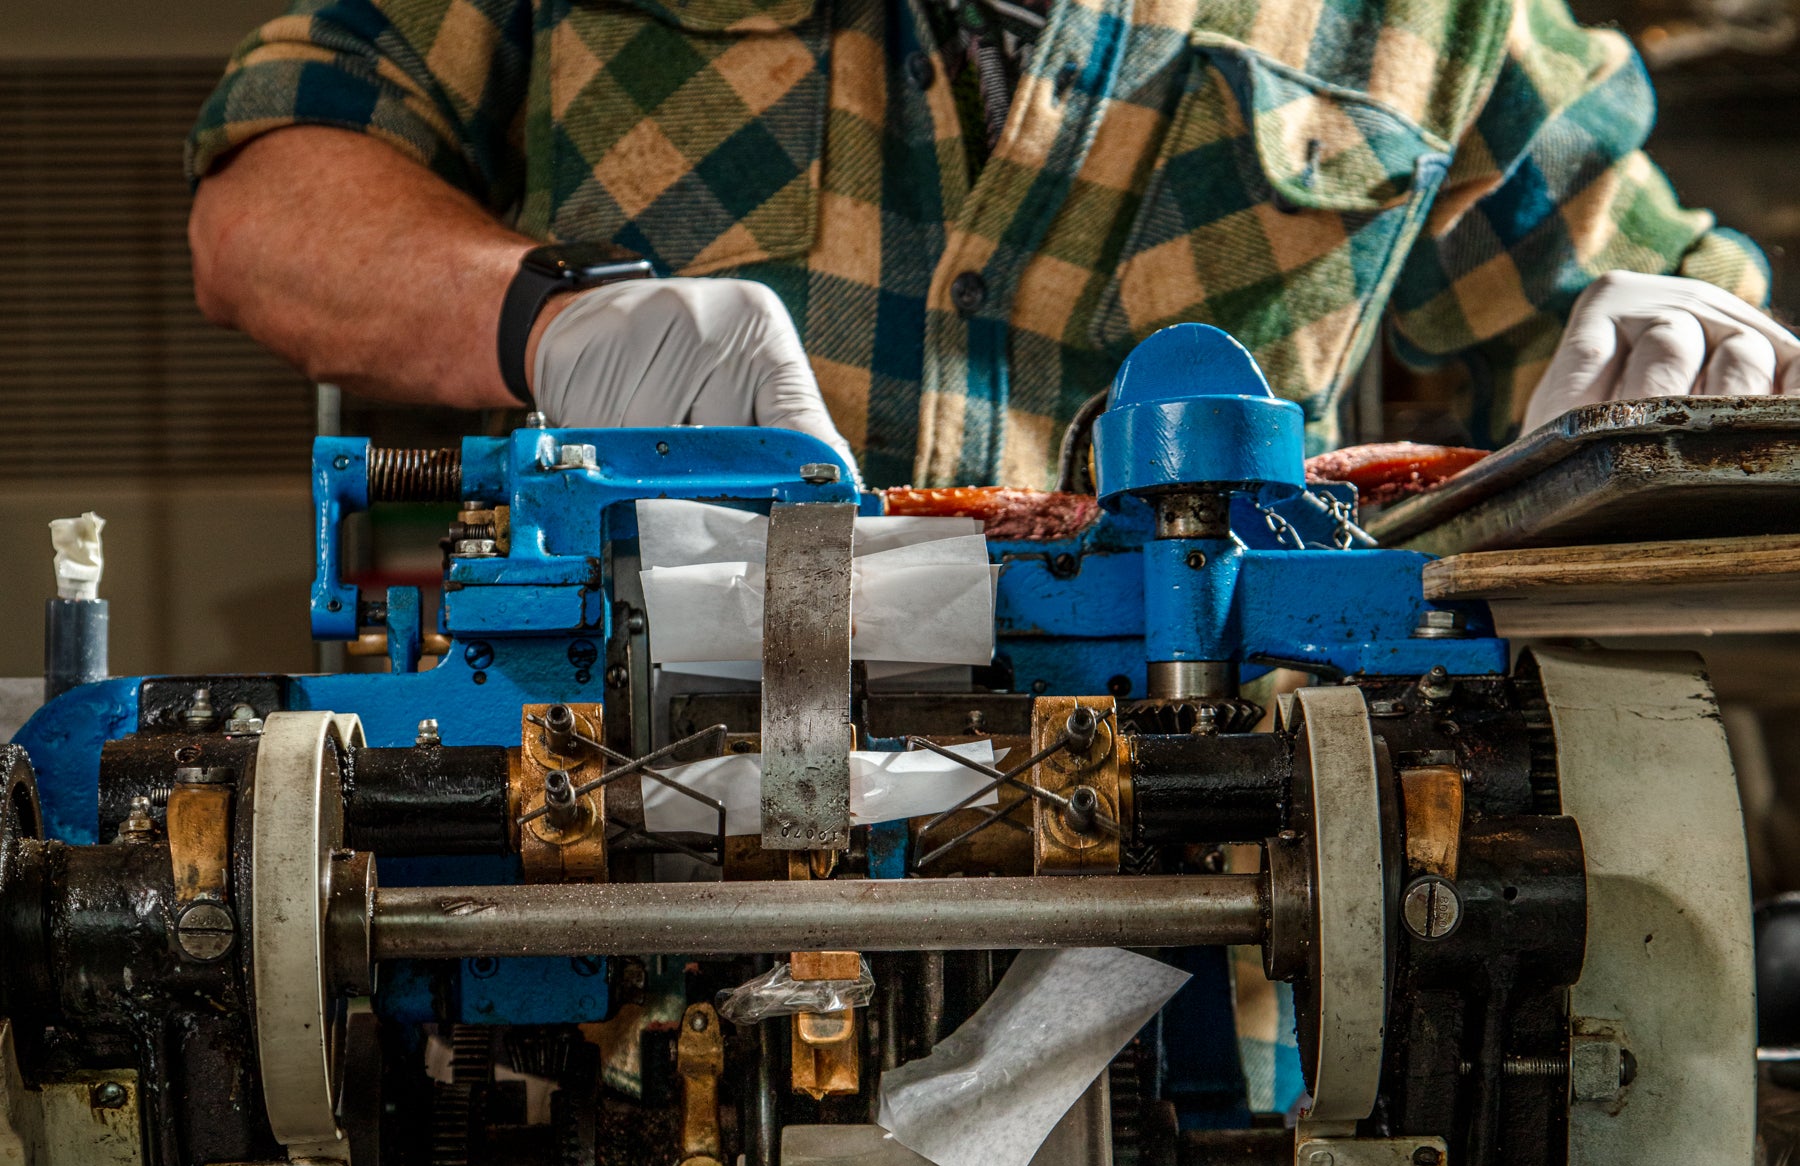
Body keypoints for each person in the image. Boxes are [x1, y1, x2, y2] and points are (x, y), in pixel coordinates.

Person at [189, 0, 1800, 492]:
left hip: (1240, 940)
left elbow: (1679, 340)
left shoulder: (1432, 24)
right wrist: (546, 321)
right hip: (637, 861)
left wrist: (1692, 340)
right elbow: (267, 220)